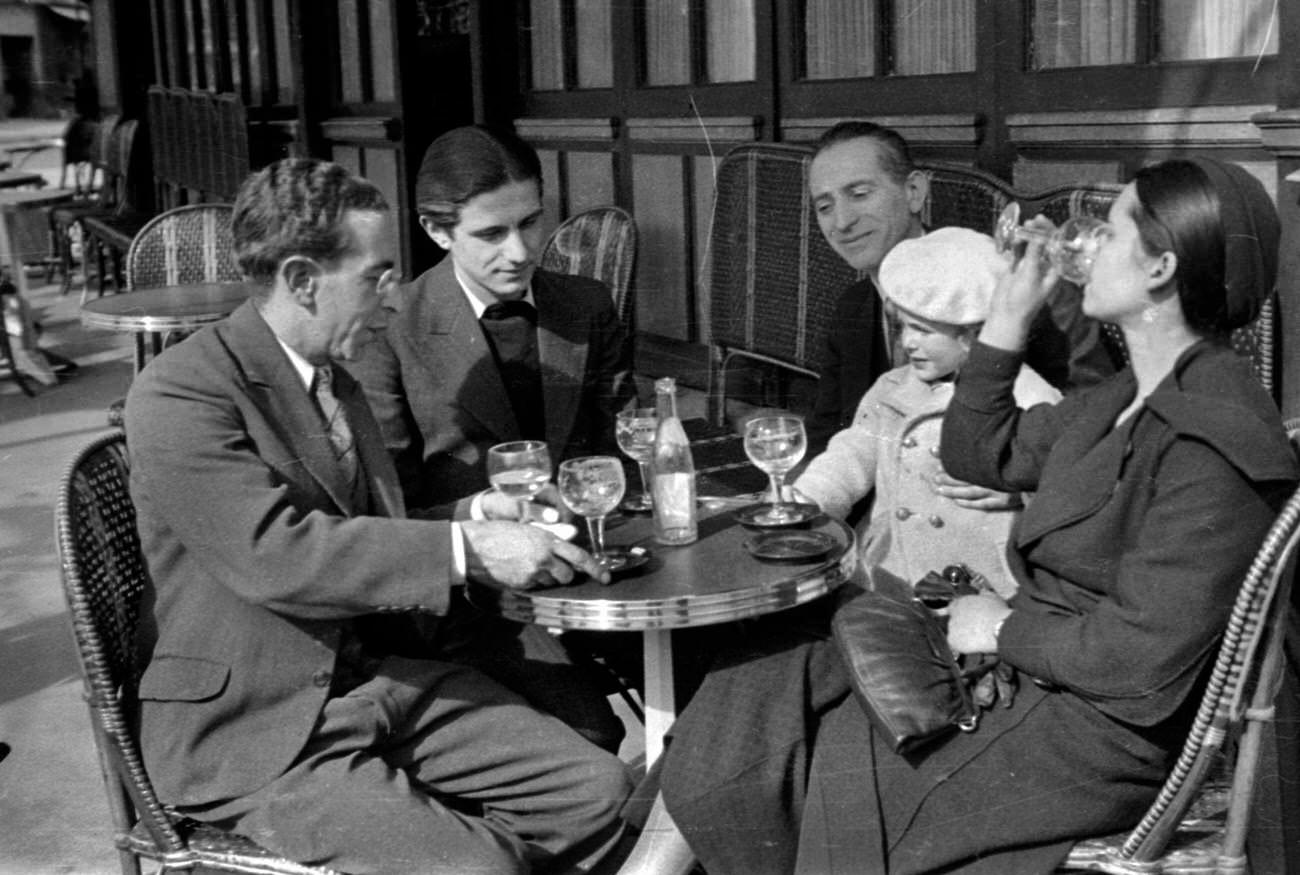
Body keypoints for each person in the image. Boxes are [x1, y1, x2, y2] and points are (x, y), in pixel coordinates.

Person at [655, 156, 1298, 873]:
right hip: (1024, 673)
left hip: (1082, 731)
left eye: (1108, 232)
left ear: (1159, 269)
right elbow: (977, 451)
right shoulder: (1128, 393)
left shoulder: (1216, 435)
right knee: (765, 668)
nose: (1081, 245)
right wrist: (1008, 317)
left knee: (814, 752)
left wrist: (1002, 626)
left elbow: (1141, 662)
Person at [124, 158, 634, 874]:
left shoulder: (334, 378)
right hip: (255, 727)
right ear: (303, 280)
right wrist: (467, 547)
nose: (393, 301)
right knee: (481, 865)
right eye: (377, 276)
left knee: (600, 791)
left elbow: (367, 521)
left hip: (375, 682)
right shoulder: (181, 391)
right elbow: (276, 553)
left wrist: (478, 508)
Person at [349, 125, 636, 513]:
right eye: (491, 234)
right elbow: (391, 507)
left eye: (530, 223)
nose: (519, 252)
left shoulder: (588, 303)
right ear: (436, 231)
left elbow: (620, 455)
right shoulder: (391, 327)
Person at [804, 120, 1116, 457]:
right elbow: (826, 435)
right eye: (825, 207)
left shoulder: (1018, 284)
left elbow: (1098, 414)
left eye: (860, 194)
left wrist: (1018, 480)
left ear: (914, 192)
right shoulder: (852, 307)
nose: (841, 222)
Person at [793, 226, 1060, 595]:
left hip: (981, 580)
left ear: (973, 334)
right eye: (902, 327)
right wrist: (805, 501)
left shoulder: (1030, 398)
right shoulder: (892, 388)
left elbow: (1069, 488)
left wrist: (1026, 494)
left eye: (922, 330)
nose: (907, 343)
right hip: (891, 566)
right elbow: (851, 455)